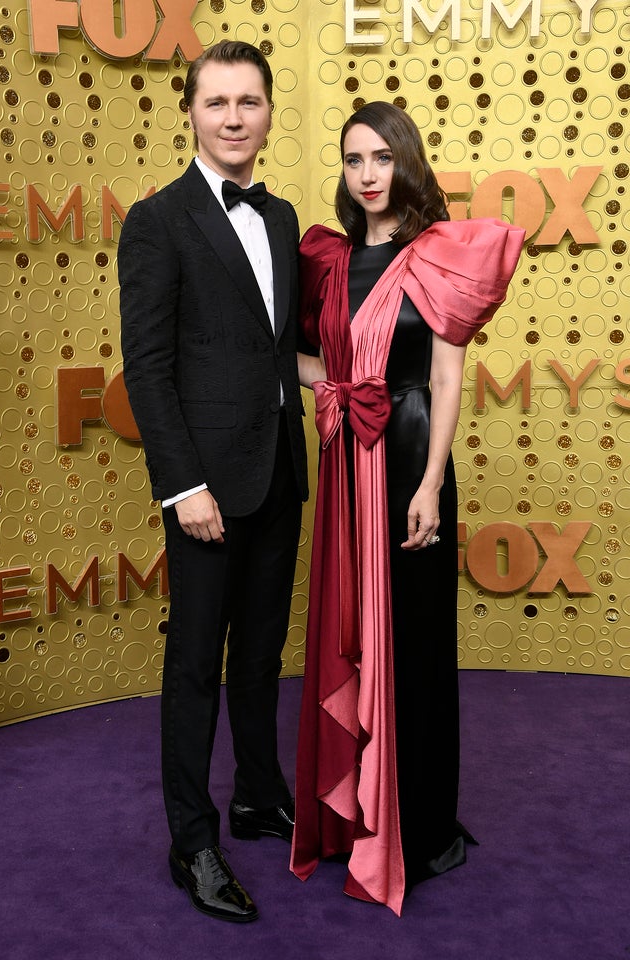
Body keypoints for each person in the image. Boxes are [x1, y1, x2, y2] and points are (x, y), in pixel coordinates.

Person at [291, 101, 525, 915]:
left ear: (406, 164)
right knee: (348, 629)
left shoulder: (439, 255)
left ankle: (417, 827)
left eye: (381, 159)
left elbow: (450, 376)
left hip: (411, 456)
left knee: (415, 641)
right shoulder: (324, 258)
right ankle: (351, 810)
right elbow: (302, 355)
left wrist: (429, 484)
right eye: (354, 159)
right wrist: (328, 393)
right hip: (346, 464)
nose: (366, 175)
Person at [118, 40, 308, 923]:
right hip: (205, 489)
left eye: (250, 102)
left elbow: (275, 350)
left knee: (265, 654)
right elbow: (149, 369)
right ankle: (192, 840)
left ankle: (259, 796)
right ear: (190, 112)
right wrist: (180, 486)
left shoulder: (281, 218)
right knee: (197, 665)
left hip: (278, 472)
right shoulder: (157, 220)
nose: (234, 118)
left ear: (270, 113)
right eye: (217, 102)